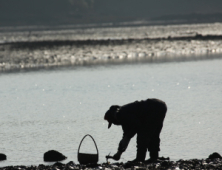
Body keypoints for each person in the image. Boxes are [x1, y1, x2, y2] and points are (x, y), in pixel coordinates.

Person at [104, 98, 167, 163]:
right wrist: (119, 153)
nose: (115, 124)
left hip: (152, 108)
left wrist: (127, 137)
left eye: (113, 122)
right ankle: (154, 158)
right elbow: (126, 137)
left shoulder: (120, 114)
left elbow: (136, 125)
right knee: (154, 135)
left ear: (113, 119)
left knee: (142, 135)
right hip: (161, 105)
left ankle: (140, 159)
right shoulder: (122, 113)